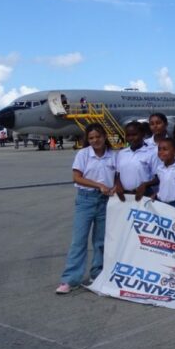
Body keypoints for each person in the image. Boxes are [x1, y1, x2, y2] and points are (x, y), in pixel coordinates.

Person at [56, 124, 117, 294]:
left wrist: (115, 188)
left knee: (101, 241)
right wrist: (98, 185)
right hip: (86, 199)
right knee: (79, 240)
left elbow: (118, 177)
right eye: (91, 138)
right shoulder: (83, 154)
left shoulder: (113, 156)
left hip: (105, 201)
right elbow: (77, 177)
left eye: (98, 136)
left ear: (105, 137)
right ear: (87, 140)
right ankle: (70, 279)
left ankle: (97, 274)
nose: (95, 140)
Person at [115, 122, 158, 202]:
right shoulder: (121, 153)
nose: (131, 138)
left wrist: (145, 185)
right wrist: (118, 185)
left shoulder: (151, 153)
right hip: (124, 195)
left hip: (144, 195)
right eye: (128, 135)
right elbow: (118, 174)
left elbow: (158, 177)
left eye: (134, 134)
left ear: (143, 134)